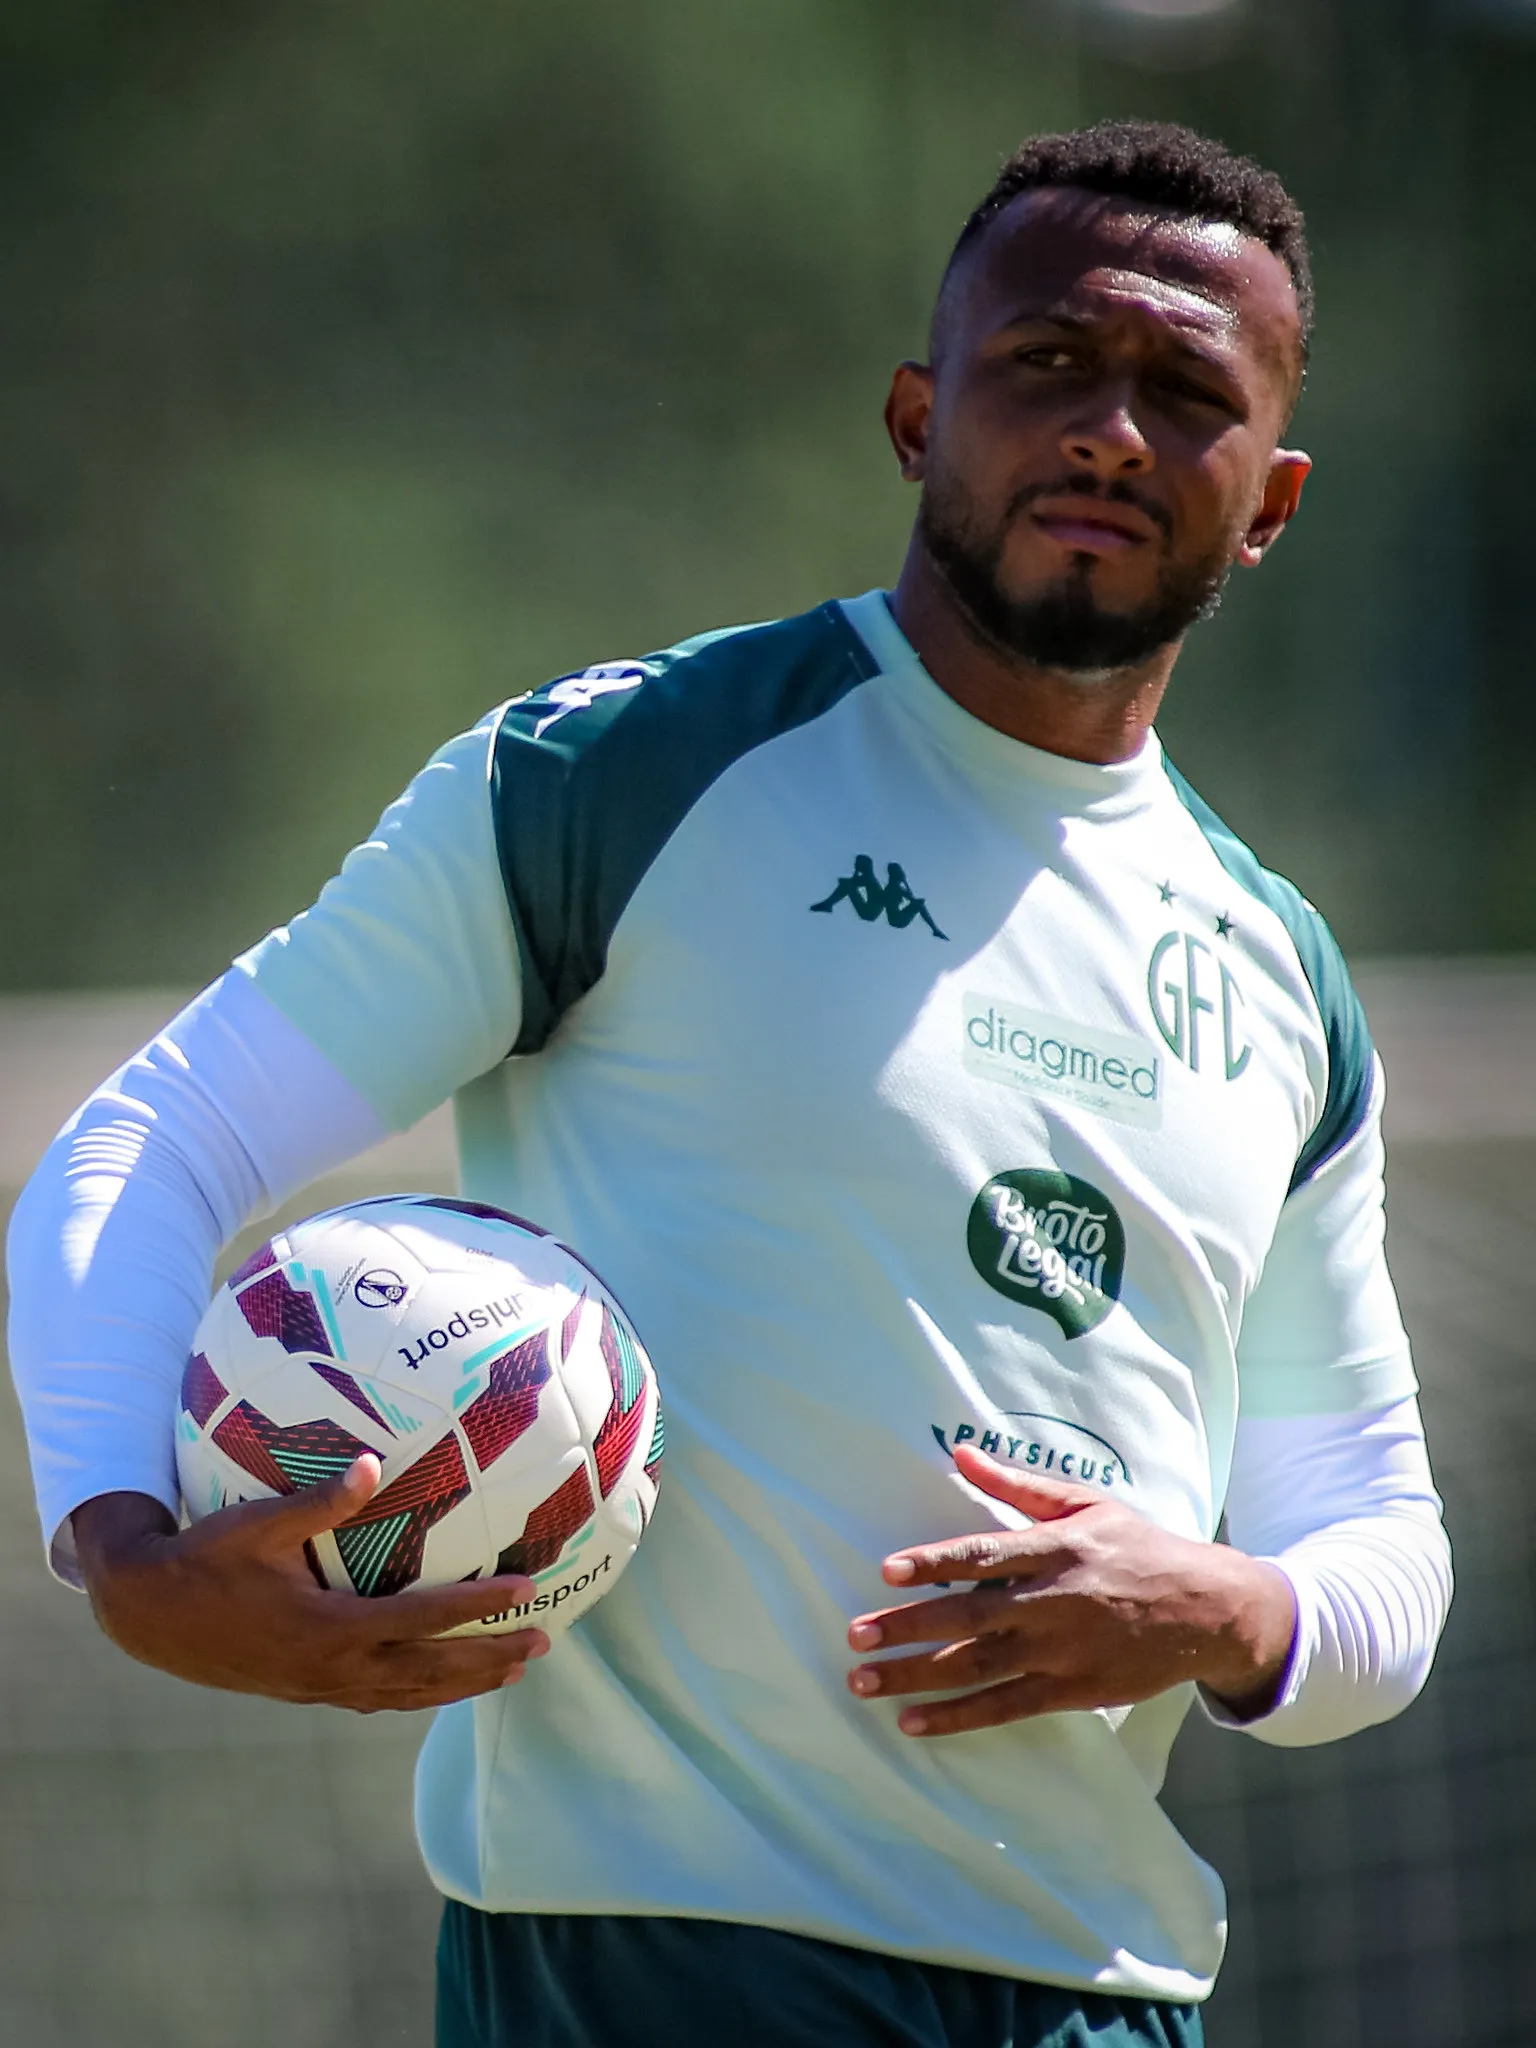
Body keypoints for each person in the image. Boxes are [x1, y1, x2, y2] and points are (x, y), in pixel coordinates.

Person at [7, 121, 1453, 2048]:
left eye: (1185, 394)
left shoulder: (1282, 980)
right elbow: (158, 1139)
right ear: (916, 415)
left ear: (1264, 503)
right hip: (649, 1965)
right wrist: (120, 1545)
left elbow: (1371, 1525)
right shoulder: (617, 780)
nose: (1110, 429)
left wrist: (1227, 1614)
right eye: (1048, 364)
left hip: (1106, 1997)